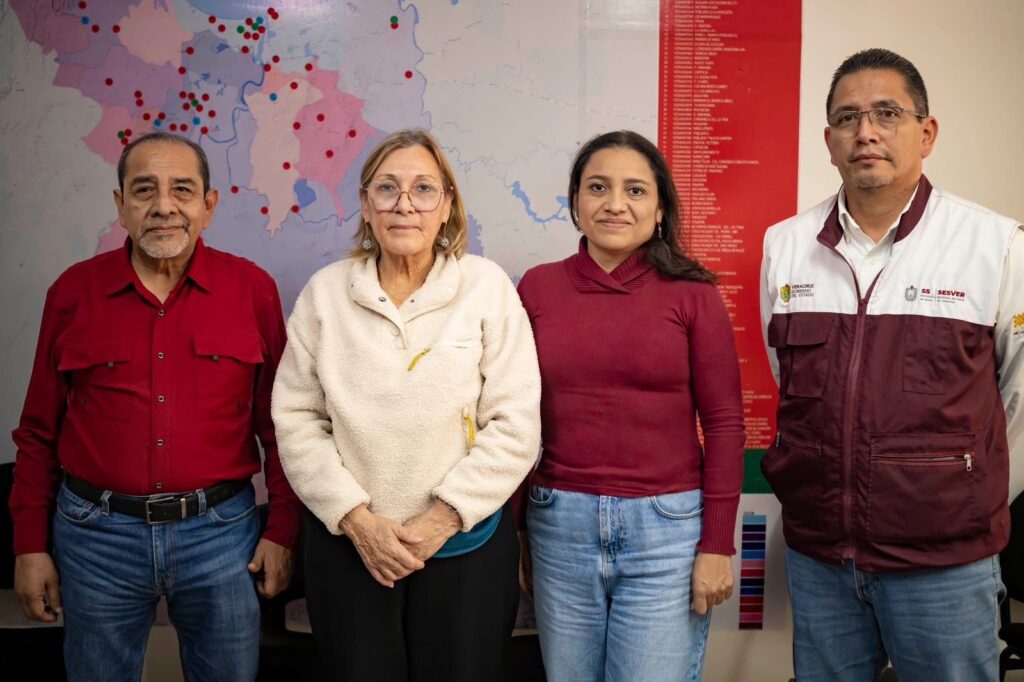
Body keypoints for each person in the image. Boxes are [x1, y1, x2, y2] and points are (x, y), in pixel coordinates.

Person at [760, 48, 1024, 681]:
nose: (866, 132)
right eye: (848, 117)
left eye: (887, 113)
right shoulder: (786, 245)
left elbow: (1014, 395)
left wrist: (952, 480)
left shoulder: (994, 244)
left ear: (926, 134)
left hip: (944, 564)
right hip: (821, 557)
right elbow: (786, 380)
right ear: (829, 140)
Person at [10, 132, 302, 681]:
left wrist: (282, 530)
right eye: (144, 190)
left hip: (222, 535)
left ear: (208, 206)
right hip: (95, 538)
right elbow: (38, 431)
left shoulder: (252, 290)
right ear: (120, 205)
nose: (164, 206)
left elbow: (282, 426)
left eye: (182, 190)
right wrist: (29, 546)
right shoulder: (72, 292)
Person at [271, 128, 541, 682]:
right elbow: (296, 419)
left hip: (465, 545)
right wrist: (358, 521)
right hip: (349, 547)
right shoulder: (326, 293)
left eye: (423, 189)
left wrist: (443, 518)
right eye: (387, 188)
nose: (404, 204)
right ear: (366, 204)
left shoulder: (486, 287)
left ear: (446, 204)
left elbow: (515, 421)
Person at [516, 130, 746, 681]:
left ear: (660, 208)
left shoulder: (694, 295)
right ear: (575, 201)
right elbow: (514, 418)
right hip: (559, 524)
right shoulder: (537, 289)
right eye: (598, 187)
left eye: (636, 190)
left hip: (666, 531)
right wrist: (521, 534)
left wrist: (717, 544)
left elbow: (724, 424)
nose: (615, 204)